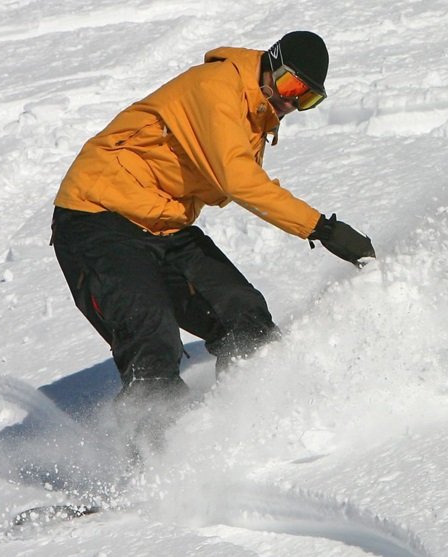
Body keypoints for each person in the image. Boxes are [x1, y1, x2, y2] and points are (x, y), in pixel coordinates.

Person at [50, 31, 374, 436]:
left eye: (307, 99)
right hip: (96, 217)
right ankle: (152, 457)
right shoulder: (217, 89)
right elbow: (238, 179)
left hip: (163, 223)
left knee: (244, 315)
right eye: (292, 87)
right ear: (272, 63)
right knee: (150, 332)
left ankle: (249, 428)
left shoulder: (257, 112)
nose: (292, 102)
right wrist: (322, 228)